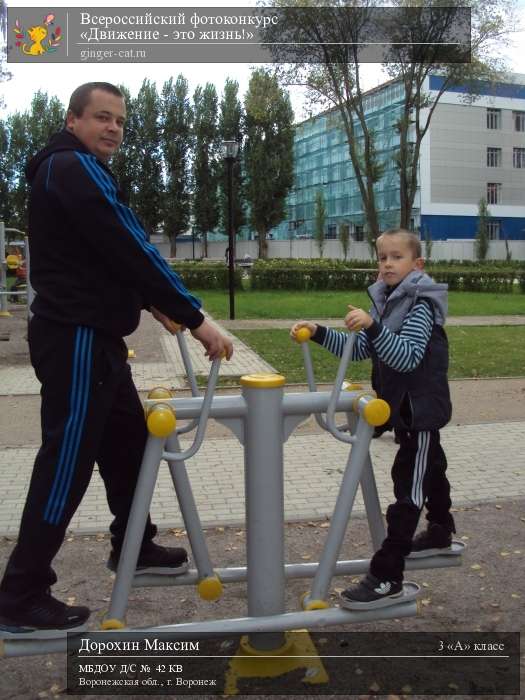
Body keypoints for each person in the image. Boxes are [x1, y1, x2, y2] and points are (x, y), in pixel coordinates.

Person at [0, 82, 233, 638]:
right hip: (76, 337)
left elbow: (103, 256)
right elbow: (131, 246)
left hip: (96, 337)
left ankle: (135, 541)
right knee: (68, 458)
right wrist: (196, 316)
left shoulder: (70, 169)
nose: (113, 129)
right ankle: (21, 592)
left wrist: (151, 303)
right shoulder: (71, 168)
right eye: (101, 118)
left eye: (120, 122)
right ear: (73, 120)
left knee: (128, 438)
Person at [291, 228, 456, 609]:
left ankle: (387, 575)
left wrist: (374, 325)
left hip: (420, 413)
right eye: (382, 257)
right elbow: (363, 350)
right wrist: (318, 333)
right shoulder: (389, 303)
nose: (386, 264)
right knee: (431, 468)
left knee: (408, 487)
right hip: (405, 412)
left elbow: (406, 357)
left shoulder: (420, 306)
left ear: (417, 265)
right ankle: (441, 529)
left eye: (396, 257)